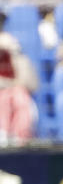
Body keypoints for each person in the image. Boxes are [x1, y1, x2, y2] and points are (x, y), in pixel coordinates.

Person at [0, 8, 38, 145]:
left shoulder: (12, 49)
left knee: (18, 95)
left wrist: (15, 52)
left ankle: (17, 145)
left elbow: (31, 84)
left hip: (12, 98)